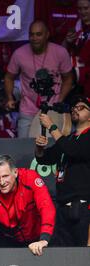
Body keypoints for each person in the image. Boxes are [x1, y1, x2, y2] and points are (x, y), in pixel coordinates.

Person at [0, 155, 56, 256]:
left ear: (15, 172)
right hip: (8, 240)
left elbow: (47, 207)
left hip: (37, 239)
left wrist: (44, 239)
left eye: (5, 176)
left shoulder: (30, 178)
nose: (2, 182)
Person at [35, 95, 90, 246]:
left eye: (81, 107)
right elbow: (44, 159)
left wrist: (52, 127)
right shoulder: (69, 138)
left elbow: (73, 151)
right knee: (63, 255)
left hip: (83, 207)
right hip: (62, 206)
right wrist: (39, 148)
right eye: (74, 107)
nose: (75, 109)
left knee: (82, 255)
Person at [5, 20, 74, 138]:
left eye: (38, 34)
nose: (34, 38)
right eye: (31, 34)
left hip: (52, 109)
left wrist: (60, 100)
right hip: (27, 109)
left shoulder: (60, 52)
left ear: (47, 35)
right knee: (24, 148)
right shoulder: (19, 53)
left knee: (48, 148)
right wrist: (10, 98)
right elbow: (9, 77)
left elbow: (68, 79)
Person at [63, 0, 90, 98]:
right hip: (75, 79)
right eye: (79, 8)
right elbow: (63, 51)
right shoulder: (75, 25)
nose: (82, 12)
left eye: (86, 8)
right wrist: (67, 41)